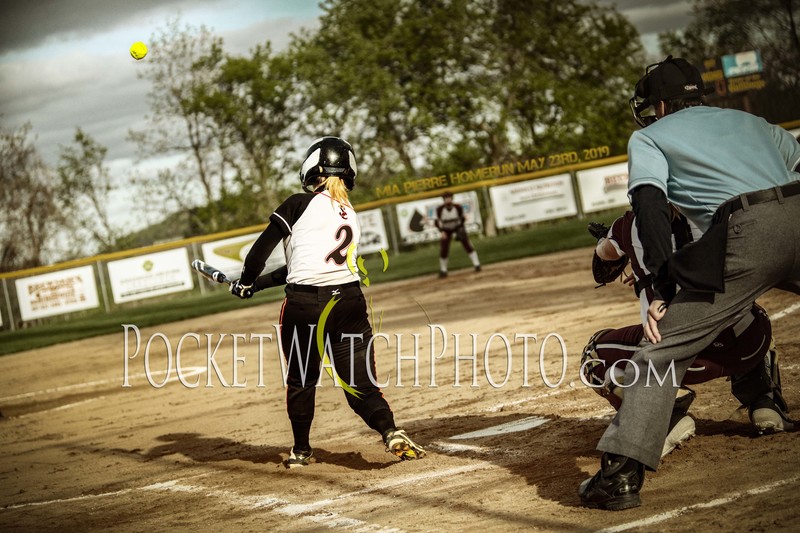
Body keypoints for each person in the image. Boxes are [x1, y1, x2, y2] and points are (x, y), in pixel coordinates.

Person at [579, 55, 800, 511]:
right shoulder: (750, 120)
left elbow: (648, 204)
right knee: (748, 319)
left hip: (748, 230)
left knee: (661, 349)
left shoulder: (649, 136)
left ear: (660, 105)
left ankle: (619, 477)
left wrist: (660, 285)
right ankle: (763, 395)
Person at [230, 136, 426, 467]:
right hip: (350, 303)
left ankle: (302, 450)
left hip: (307, 306)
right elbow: (298, 267)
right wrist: (254, 286)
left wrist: (247, 280)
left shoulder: (297, 203)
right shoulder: (349, 213)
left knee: (302, 381)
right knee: (360, 385)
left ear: (311, 168)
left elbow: (258, 254)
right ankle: (389, 430)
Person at [581, 211, 781, 459]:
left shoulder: (629, 225)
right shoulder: (716, 208)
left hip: (688, 360)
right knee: (748, 312)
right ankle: (764, 401)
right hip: (750, 343)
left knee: (593, 354)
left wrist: (623, 251)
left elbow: (605, 255)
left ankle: (668, 414)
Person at [435, 191, 481, 277]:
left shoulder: (458, 207)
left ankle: (477, 264)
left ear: (452, 198)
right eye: (446, 198)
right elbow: (437, 222)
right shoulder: (440, 209)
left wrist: (460, 229)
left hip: (457, 227)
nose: (448, 200)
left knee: (467, 244)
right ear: (443, 200)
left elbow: (462, 219)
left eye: (449, 198)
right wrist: (442, 231)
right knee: (444, 248)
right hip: (446, 229)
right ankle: (443, 270)